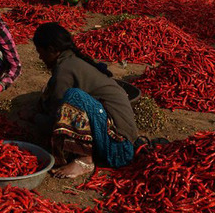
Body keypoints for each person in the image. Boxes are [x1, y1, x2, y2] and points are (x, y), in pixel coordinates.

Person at [29, 22, 139, 179]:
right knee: (66, 96)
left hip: (119, 149)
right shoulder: (73, 60)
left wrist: (36, 118)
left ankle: (85, 160)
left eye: (41, 52)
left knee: (74, 96)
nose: (40, 57)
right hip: (121, 142)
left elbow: (55, 121)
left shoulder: (64, 70)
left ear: (52, 50)